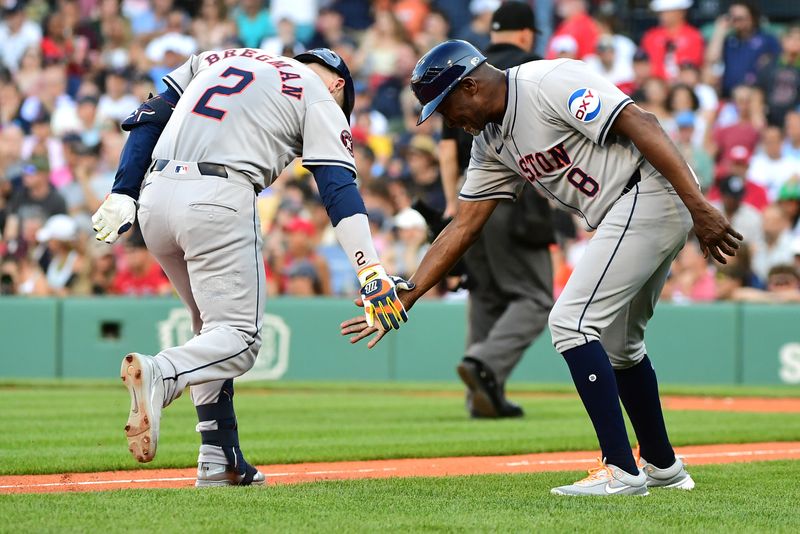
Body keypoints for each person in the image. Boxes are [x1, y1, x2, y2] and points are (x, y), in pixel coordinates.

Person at [342, 40, 742, 496]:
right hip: (626, 208)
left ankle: (620, 469)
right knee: (621, 344)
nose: (449, 121)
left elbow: (640, 121)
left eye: (447, 107)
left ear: (471, 85)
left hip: (649, 190)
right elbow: (464, 224)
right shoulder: (490, 142)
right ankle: (663, 465)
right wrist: (411, 289)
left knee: (570, 322)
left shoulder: (547, 82)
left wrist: (701, 207)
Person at [91, 47, 409, 487]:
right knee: (240, 340)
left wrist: (123, 188)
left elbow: (149, 115)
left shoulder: (220, 57)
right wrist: (370, 270)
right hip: (217, 197)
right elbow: (338, 188)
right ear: (338, 83)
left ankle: (218, 456)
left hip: (154, 195)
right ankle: (162, 374)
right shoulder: (318, 93)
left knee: (212, 333)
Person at [440, 0, 554, 419]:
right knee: (536, 296)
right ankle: (484, 366)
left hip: (467, 198)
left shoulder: (464, 73)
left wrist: (456, 206)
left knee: (486, 294)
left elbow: (447, 148)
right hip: (516, 198)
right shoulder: (527, 70)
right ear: (526, 34)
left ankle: (483, 395)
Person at [706, 0, 781, 99]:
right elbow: (712, 59)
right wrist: (720, 31)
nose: (736, 22)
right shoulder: (729, 41)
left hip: (755, 96)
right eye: (733, 18)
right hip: (729, 95)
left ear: (753, 18)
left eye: (740, 18)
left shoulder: (767, 40)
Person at [641, 0, 704, 82]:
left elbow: (695, 65)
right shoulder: (651, 36)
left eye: (667, 11)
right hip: (656, 84)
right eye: (661, 12)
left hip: (684, 85)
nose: (663, 15)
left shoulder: (694, 36)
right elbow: (645, 65)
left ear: (681, 12)